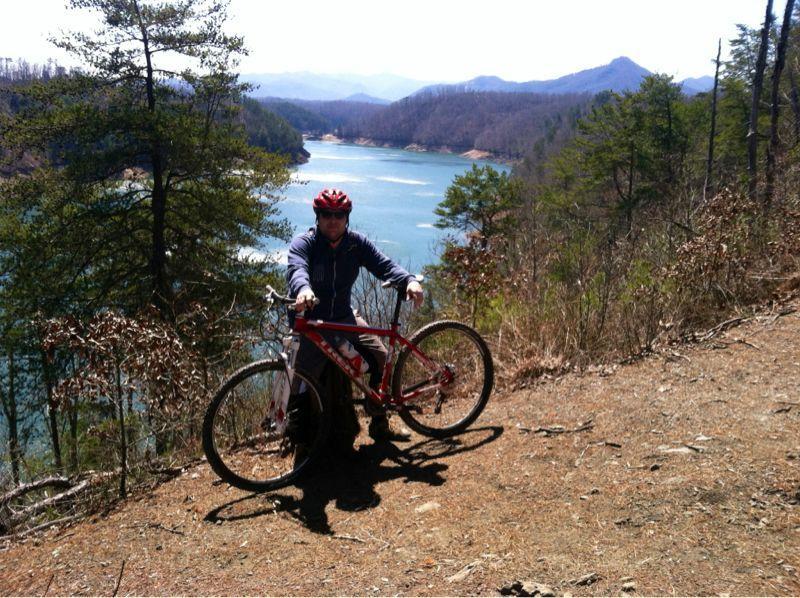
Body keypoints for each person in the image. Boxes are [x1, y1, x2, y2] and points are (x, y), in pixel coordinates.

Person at [286, 188, 424, 443]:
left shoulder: (355, 244)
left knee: (381, 357)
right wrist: (303, 290)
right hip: (313, 325)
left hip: (345, 319)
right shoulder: (305, 244)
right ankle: (303, 444)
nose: (333, 220)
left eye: (339, 215)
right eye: (327, 214)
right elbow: (297, 270)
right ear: (317, 217)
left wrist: (409, 281)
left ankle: (380, 424)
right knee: (300, 382)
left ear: (347, 217)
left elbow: (383, 265)